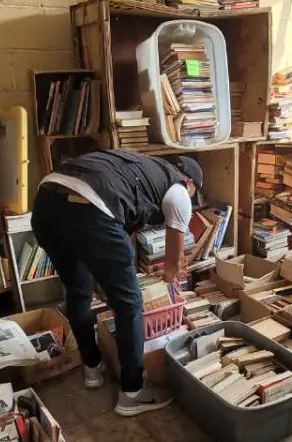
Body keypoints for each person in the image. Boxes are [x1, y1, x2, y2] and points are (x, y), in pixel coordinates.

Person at [31, 149, 203, 417]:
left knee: (78, 292)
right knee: (129, 304)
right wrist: (169, 283)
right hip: (89, 209)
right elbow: (172, 262)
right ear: (190, 182)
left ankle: (92, 368)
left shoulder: (141, 167)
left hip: (46, 204)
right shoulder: (179, 188)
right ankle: (133, 393)